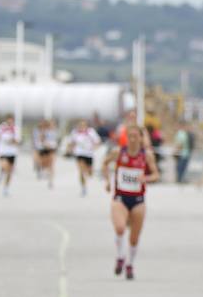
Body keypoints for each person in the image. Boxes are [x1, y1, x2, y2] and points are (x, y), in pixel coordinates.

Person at [101, 124, 160, 280]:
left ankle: (130, 264)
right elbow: (104, 163)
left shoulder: (146, 155)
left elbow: (156, 175)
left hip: (138, 199)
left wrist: (146, 178)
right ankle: (121, 256)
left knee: (134, 237)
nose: (133, 139)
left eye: (136, 136)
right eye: (130, 136)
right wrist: (107, 181)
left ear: (141, 138)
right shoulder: (119, 152)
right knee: (120, 228)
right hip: (120, 197)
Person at [68, 119, 102, 196]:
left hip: (89, 154)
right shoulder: (75, 132)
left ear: (86, 125)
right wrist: (70, 149)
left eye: (83, 125)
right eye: (80, 125)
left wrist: (95, 147)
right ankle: (83, 187)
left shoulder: (91, 132)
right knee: (81, 171)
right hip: (79, 153)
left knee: (90, 172)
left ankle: (87, 176)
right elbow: (71, 142)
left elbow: (98, 141)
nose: (82, 127)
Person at [0, 115, 20, 197]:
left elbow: (18, 141)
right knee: (5, 166)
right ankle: (1, 175)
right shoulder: (0, 128)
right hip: (2, 152)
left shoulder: (15, 129)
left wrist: (12, 141)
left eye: (12, 121)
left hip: (12, 153)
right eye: (9, 121)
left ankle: (6, 188)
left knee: (9, 172)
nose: (10, 122)